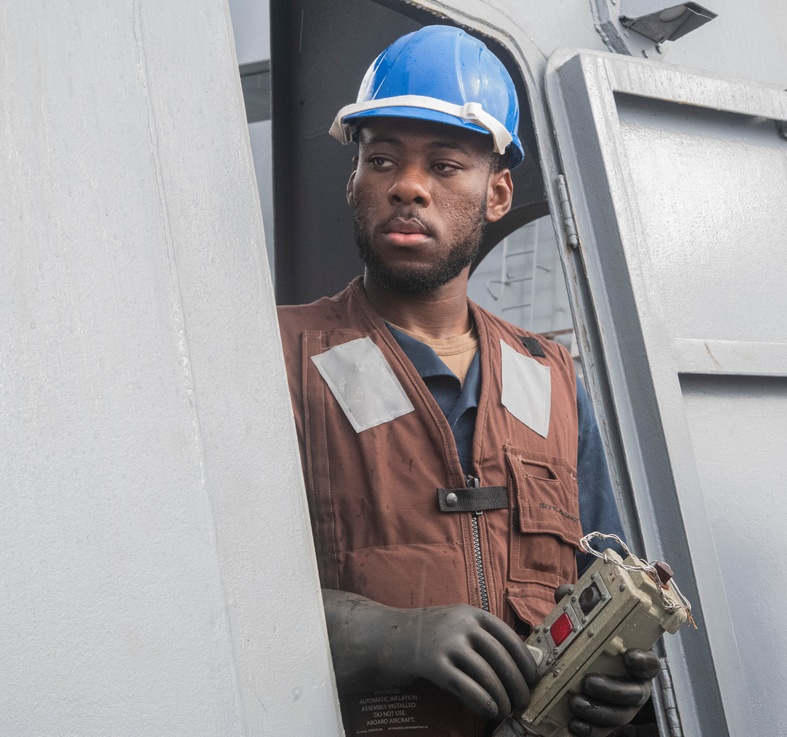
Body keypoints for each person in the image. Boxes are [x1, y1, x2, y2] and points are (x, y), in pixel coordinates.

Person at [277, 25, 661, 737]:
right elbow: (214, 595)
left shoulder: (550, 379)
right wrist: (382, 635)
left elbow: (596, 576)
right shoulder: (278, 355)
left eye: (446, 166)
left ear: (497, 193)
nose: (409, 187)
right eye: (382, 159)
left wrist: (615, 671)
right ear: (354, 182)